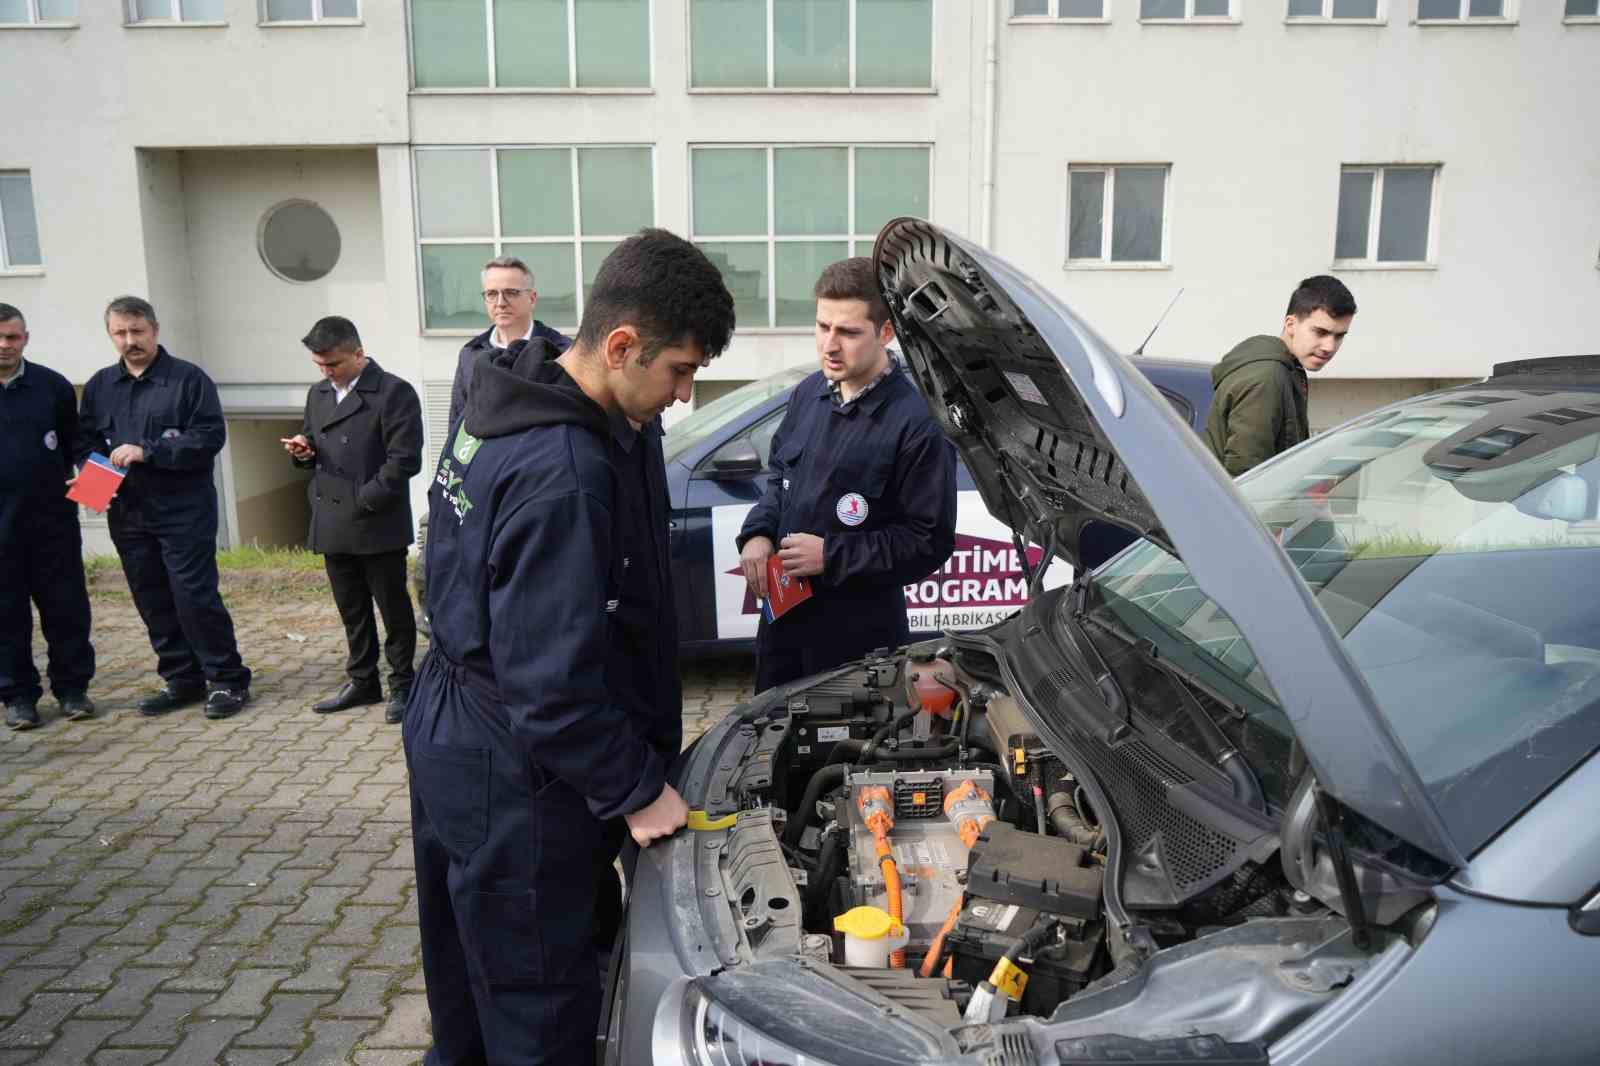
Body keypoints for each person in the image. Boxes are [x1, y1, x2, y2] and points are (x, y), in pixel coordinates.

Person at [404, 228, 735, 1064]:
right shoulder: (564, 472)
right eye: (679, 371)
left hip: (456, 726)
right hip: (516, 766)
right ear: (621, 345)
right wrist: (634, 789)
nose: (685, 394)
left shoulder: (515, 391)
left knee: (470, 977)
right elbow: (551, 685)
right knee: (540, 1003)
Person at [737, 257, 958, 692]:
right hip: (783, 629)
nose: (829, 346)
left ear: (886, 333)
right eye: (823, 327)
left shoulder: (915, 423)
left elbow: (928, 540)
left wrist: (832, 555)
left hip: (857, 648)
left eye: (848, 332)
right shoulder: (809, 394)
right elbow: (780, 474)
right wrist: (758, 533)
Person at [78, 296, 251, 720]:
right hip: (128, 512)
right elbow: (85, 444)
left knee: (193, 596)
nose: (130, 340)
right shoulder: (100, 386)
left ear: (155, 329)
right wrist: (93, 487)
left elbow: (209, 437)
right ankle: (181, 678)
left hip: (183, 510)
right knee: (150, 597)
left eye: (137, 331)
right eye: (120, 333)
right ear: (110, 335)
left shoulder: (188, 380)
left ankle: (226, 679)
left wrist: (148, 451)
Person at [283, 317, 423, 725]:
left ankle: (403, 684)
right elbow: (313, 441)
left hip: (374, 520)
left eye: (334, 364)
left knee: (392, 610)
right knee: (352, 609)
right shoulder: (319, 393)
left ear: (359, 354)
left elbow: (404, 461)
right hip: (332, 518)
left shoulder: (395, 392)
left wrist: (365, 500)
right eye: (320, 366)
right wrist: (302, 451)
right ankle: (363, 681)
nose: (326, 372)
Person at [0, 304, 94, 730]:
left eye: (13, 337)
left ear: (26, 338)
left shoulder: (52, 386)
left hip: (52, 524)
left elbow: (79, 444)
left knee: (67, 610)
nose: (5, 346)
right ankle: (18, 697)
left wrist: (96, 491)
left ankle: (72, 689)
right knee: (6, 616)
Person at [1205, 275, 1357, 477]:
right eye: (1320, 332)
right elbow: (1246, 475)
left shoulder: (1287, 368)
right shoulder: (1266, 377)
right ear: (1291, 324)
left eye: (1339, 336)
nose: (1329, 346)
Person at [446, 255, 572, 429]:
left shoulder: (563, 351)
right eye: (492, 293)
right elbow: (458, 421)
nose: (500, 303)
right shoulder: (470, 354)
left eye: (511, 293)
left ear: (532, 298)